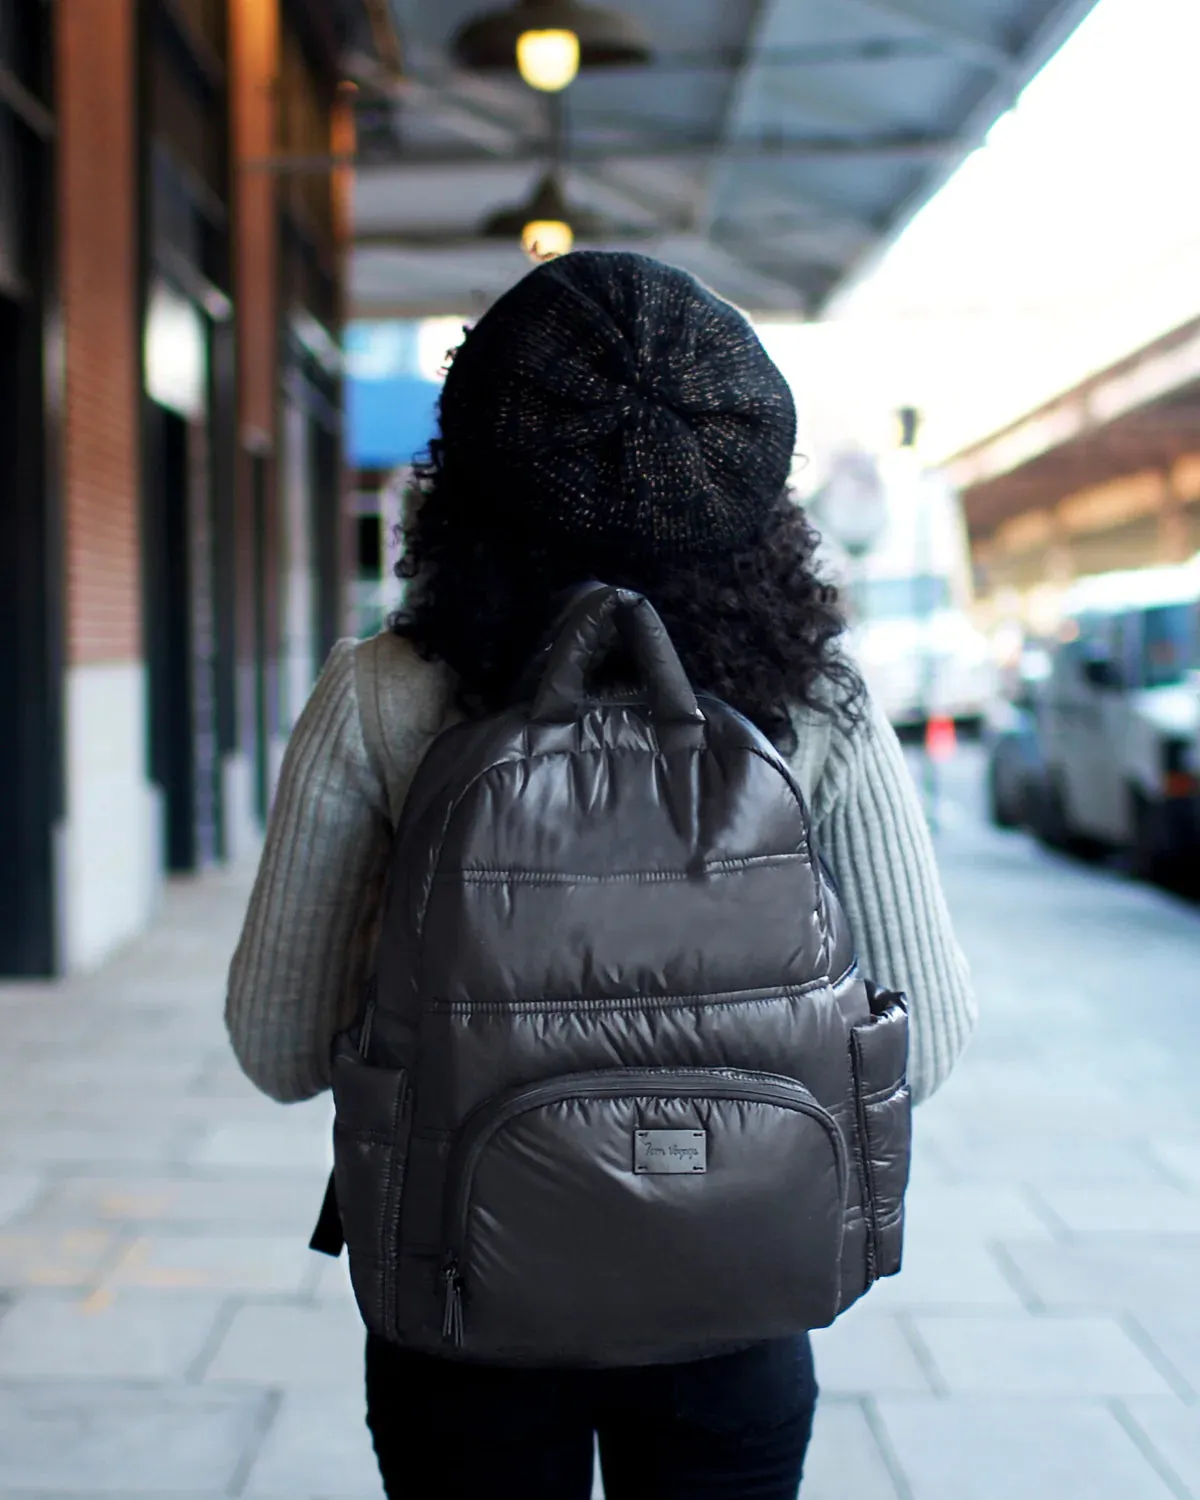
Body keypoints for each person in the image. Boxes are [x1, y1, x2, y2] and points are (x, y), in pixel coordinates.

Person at [226, 250, 975, 1500]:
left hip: (458, 1302)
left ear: (466, 470)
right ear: (746, 483)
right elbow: (929, 1046)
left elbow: (278, 1049)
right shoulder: (816, 703)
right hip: (736, 1297)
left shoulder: (381, 698)